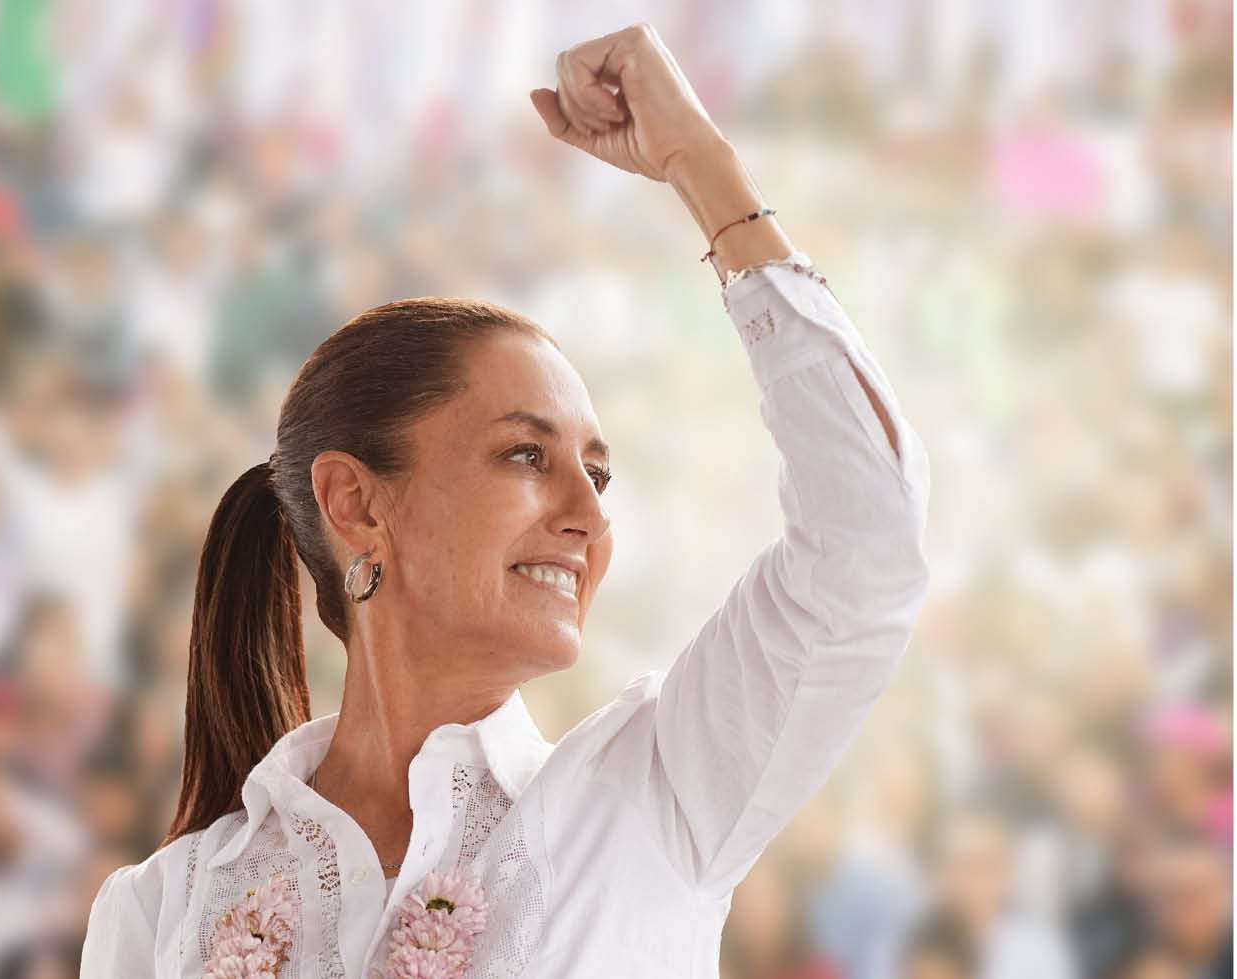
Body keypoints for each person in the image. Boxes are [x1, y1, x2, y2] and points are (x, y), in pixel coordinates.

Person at [79, 22, 930, 979]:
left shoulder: (657, 800)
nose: (589, 515)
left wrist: (700, 164)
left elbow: (867, 536)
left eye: (598, 473)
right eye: (527, 453)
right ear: (357, 505)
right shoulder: (166, 907)